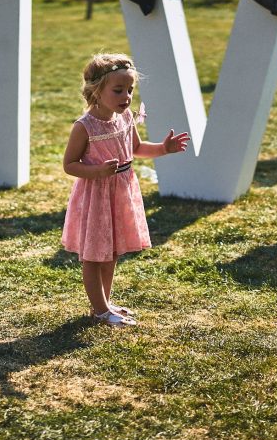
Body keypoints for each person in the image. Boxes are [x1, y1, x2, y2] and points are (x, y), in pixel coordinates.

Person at [62, 53, 189, 327]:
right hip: (96, 195)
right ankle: (99, 310)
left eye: (130, 90)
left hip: (121, 191)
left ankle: (104, 304)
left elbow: (136, 149)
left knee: (112, 250)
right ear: (97, 91)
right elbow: (69, 165)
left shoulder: (126, 117)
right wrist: (96, 172)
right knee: (94, 254)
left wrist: (163, 149)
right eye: (118, 90)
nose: (127, 96)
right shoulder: (84, 127)